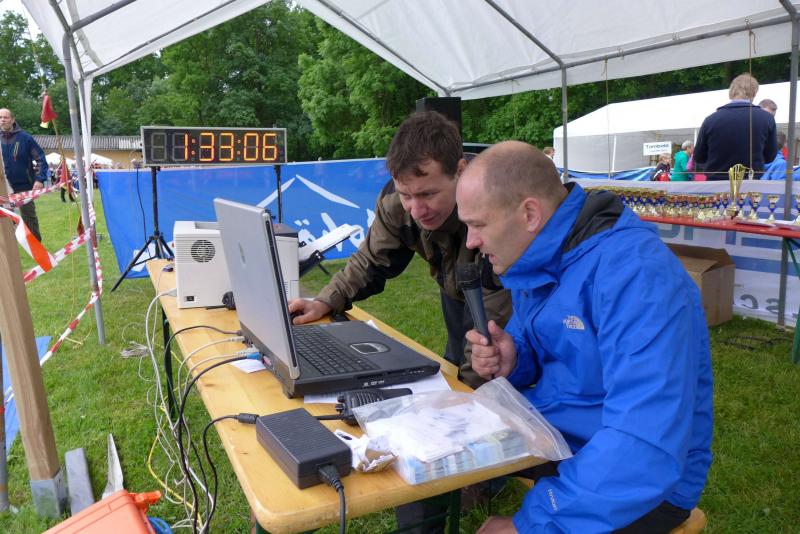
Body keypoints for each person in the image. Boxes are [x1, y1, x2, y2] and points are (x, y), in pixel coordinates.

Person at [457, 141, 713, 533]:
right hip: (564, 437)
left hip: (646, 484)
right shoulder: (540, 254)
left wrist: (534, 524)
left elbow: (642, 445)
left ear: (529, 214)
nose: (470, 242)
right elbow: (543, 343)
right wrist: (515, 357)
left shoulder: (637, 276)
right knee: (428, 451)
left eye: (478, 225)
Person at [288, 111, 512, 388]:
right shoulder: (395, 203)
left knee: (487, 368)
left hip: (500, 294)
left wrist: (469, 394)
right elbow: (370, 261)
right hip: (455, 289)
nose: (416, 210)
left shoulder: (497, 209)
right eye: (406, 195)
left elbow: (496, 310)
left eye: (428, 194)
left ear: (461, 171)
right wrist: (324, 301)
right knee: (455, 364)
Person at [694, 73, 777, 180]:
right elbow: (769, 157)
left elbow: (699, 157)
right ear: (754, 92)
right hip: (750, 183)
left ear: (732, 91)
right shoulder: (767, 119)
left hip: (716, 183)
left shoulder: (710, 120)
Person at [0, 108, 48, 241]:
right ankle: (9, 247)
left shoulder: (25, 138)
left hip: (24, 186)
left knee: (29, 217)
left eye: (5, 117)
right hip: (2, 187)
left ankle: (36, 245)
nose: (2, 120)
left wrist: (39, 179)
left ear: (12, 120)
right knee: (4, 218)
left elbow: (40, 159)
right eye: (0, 117)